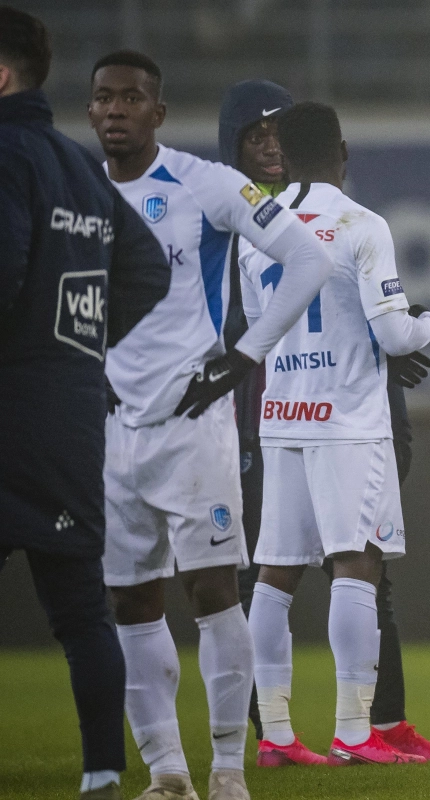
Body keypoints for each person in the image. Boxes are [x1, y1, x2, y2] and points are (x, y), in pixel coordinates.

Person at [89, 50, 335, 800]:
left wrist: (244, 355)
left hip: (195, 426)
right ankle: (167, 773)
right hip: (111, 431)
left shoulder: (204, 185)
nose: (116, 110)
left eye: (132, 98)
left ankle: (228, 769)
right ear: (90, 110)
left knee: (212, 592)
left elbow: (307, 258)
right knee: (130, 600)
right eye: (104, 99)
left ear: (158, 113)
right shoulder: (76, 193)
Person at [216, 80, 430, 761]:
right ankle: (355, 732)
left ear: (284, 158)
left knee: (275, 572)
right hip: (347, 421)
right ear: (344, 153)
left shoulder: (254, 231)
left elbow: (258, 327)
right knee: (358, 564)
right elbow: (394, 334)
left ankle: (279, 736)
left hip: (281, 414)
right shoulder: (361, 225)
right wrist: (428, 320)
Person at [0, 10, 172, 800]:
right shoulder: (78, 167)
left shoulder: (5, 154)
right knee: (80, 612)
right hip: (69, 422)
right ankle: (103, 771)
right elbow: (146, 273)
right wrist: (81, 348)